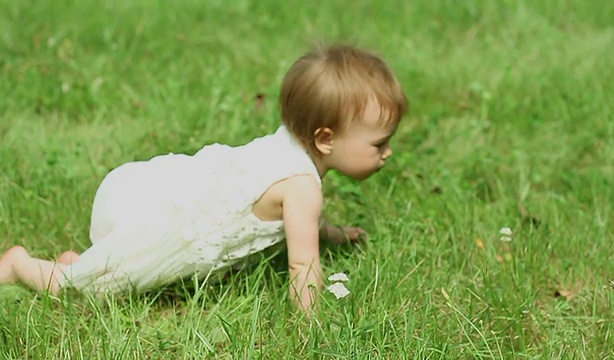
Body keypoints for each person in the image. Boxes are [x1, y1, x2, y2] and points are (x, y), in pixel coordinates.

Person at [0, 44, 407, 313]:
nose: (387, 152)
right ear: (325, 139)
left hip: (149, 189)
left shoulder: (290, 148)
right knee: (83, 293)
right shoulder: (302, 187)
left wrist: (334, 234)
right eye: (378, 143)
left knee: (107, 269)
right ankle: (21, 266)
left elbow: (304, 226)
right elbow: (303, 264)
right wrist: (311, 329)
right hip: (158, 220)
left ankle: (87, 256)